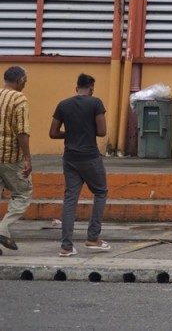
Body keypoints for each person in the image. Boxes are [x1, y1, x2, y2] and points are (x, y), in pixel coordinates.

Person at [49, 73, 110, 256]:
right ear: (91, 88)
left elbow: (53, 133)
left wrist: (71, 134)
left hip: (70, 158)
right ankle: (92, 238)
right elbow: (102, 131)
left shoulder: (63, 104)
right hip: (90, 157)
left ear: (76, 88)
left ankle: (66, 247)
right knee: (100, 192)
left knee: (70, 199)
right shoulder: (95, 102)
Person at [0, 66, 32, 255]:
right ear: (20, 80)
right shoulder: (19, 98)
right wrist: (27, 158)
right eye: (25, 80)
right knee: (23, 193)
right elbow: (22, 132)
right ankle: (3, 228)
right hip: (11, 157)